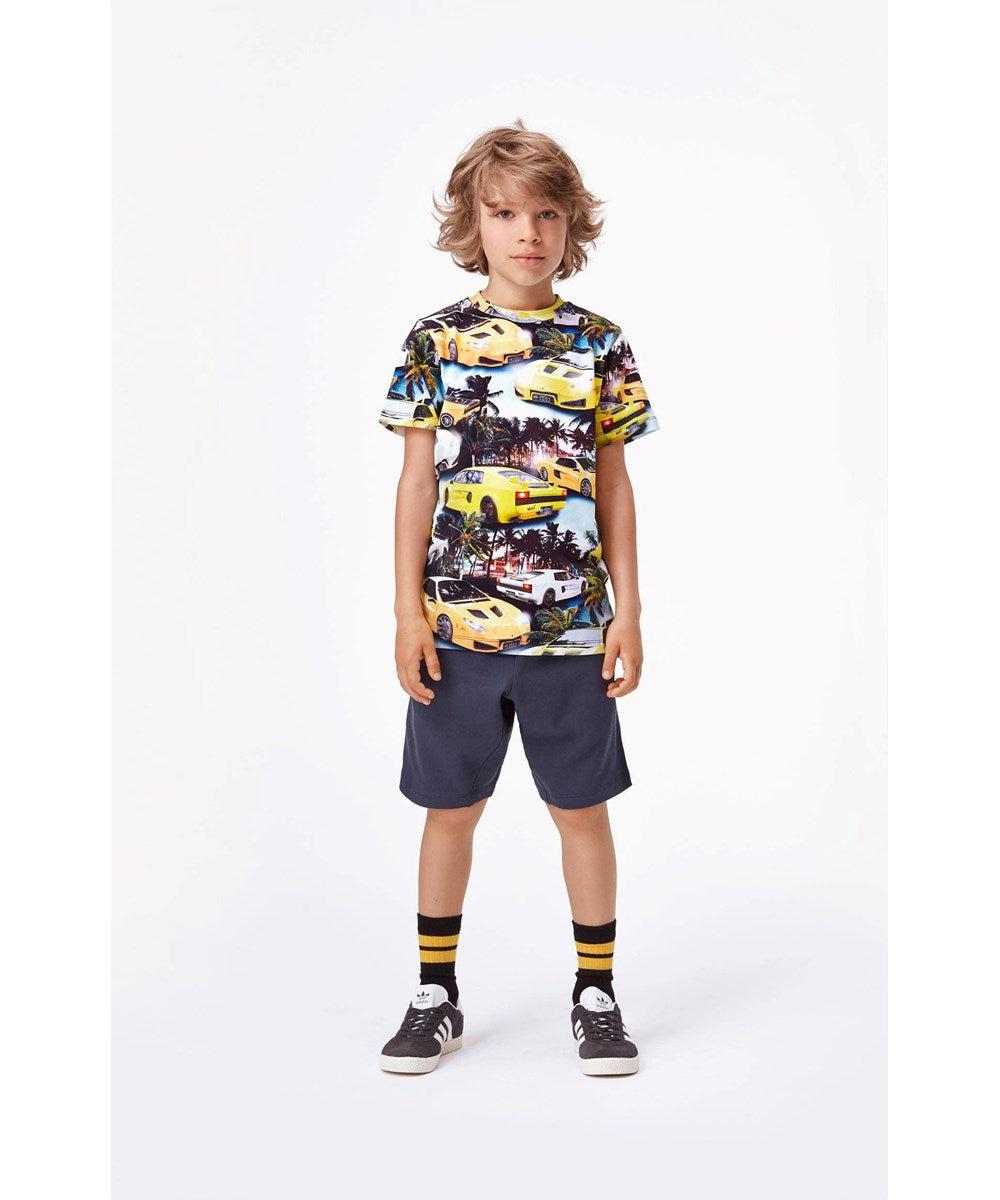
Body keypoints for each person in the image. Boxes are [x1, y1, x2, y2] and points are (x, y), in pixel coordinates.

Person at [376, 119, 660, 1076]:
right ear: (474, 223)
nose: (526, 233)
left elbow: (613, 485)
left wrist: (628, 611)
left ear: (571, 224)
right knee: (449, 808)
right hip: (456, 626)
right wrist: (408, 612)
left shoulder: (598, 343)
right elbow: (417, 483)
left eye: (545, 214)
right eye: (503, 213)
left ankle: (596, 994)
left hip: (572, 630)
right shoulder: (436, 341)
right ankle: (435, 993)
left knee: (581, 809)